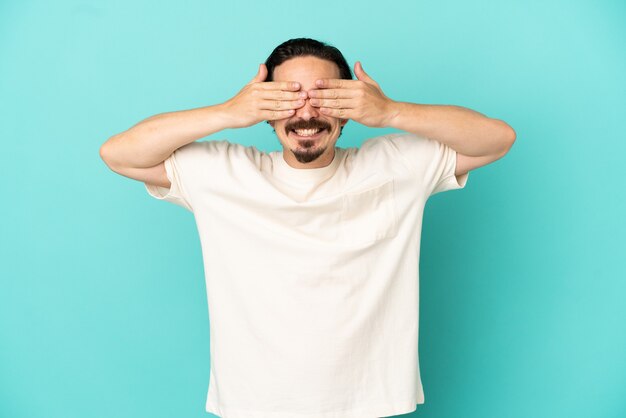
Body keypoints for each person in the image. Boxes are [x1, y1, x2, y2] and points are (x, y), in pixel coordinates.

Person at [99, 37, 515, 418]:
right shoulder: (222, 173)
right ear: (265, 111)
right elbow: (119, 154)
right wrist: (228, 112)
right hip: (254, 403)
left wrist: (390, 111)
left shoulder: (395, 166)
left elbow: (497, 139)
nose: (307, 113)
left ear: (350, 109)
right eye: (287, 98)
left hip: (369, 403)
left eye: (325, 96)